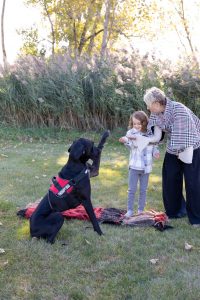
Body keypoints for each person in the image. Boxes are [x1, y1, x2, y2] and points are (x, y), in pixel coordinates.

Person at [143, 87, 200, 226]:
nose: (148, 108)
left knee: (193, 182)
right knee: (170, 178)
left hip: (192, 145)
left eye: (149, 105)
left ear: (156, 103)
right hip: (174, 146)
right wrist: (141, 139)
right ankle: (175, 211)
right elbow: (156, 135)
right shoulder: (156, 113)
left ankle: (196, 217)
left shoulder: (178, 110)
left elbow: (185, 137)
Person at [119, 111, 160, 217]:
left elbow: (154, 144)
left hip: (146, 167)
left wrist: (155, 151)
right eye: (134, 123)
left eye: (139, 123)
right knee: (131, 189)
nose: (136, 126)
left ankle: (141, 210)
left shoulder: (149, 133)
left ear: (144, 123)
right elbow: (130, 144)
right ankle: (130, 210)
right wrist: (125, 140)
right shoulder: (131, 133)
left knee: (143, 190)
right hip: (134, 166)